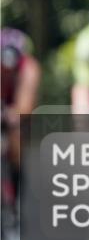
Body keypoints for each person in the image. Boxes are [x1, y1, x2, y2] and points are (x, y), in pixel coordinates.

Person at [1, 27, 41, 217]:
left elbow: (24, 106)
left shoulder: (29, 67)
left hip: (16, 104)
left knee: (16, 139)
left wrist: (14, 115)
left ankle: (16, 193)